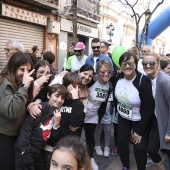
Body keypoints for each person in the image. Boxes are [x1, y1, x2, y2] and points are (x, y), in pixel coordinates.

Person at [113, 52, 155, 170]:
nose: (127, 66)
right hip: (123, 116)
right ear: (120, 65)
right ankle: (125, 165)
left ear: (135, 65)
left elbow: (149, 107)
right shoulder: (118, 78)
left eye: (130, 63)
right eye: (124, 64)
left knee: (139, 148)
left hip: (140, 118)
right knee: (121, 142)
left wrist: (139, 131)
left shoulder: (143, 80)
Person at [14, 84, 67, 170]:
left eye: (63, 98)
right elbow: (26, 127)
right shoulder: (43, 107)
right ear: (48, 95)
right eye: (57, 96)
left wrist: (56, 124)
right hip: (26, 149)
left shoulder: (56, 113)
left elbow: (51, 139)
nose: (59, 100)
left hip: (37, 151)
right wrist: (25, 150)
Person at [0, 51, 34, 170]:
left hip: (16, 135)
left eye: (28, 70)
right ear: (13, 67)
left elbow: (22, 105)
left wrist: (31, 105)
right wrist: (24, 87)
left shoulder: (17, 82)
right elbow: (12, 111)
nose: (25, 73)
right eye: (22, 69)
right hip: (4, 137)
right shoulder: (4, 83)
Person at [84, 60, 113, 170]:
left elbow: (104, 103)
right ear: (97, 72)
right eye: (103, 72)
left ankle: (90, 159)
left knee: (90, 139)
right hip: (82, 113)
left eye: (109, 71)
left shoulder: (110, 85)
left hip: (93, 116)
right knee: (75, 137)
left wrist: (99, 117)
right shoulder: (91, 80)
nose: (106, 74)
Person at [142, 52, 167, 169]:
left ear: (158, 64)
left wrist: (169, 132)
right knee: (151, 150)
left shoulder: (164, 81)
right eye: (144, 63)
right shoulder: (147, 79)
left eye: (151, 63)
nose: (147, 65)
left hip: (166, 123)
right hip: (157, 121)